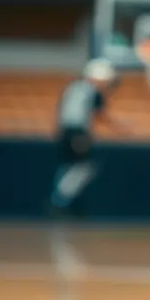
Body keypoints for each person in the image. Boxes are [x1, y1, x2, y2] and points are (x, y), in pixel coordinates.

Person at [50, 58, 123, 215]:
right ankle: (60, 200)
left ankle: (61, 200)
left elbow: (61, 110)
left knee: (69, 165)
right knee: (83, 167)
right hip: (76, 131)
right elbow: (100, 115)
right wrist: (121, 128)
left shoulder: (72, 88)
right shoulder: (91, 91)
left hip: (64, 131)